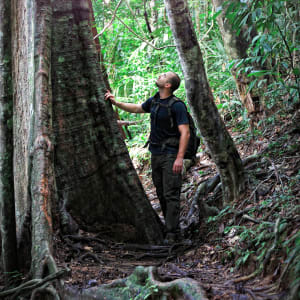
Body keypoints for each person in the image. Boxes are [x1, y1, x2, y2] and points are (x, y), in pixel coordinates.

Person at [105, 72, 190, 244]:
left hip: (171, 154)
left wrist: (180, 158)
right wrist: (116, 102)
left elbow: (185, 132)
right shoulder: (155, 100)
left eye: (164, 75)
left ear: (168, 85)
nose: (160, 75)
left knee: (171, 193)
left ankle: (174, 234)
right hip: (156, 153)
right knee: (160, 191)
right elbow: (137, 108)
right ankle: (169, 228)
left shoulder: (177, 106)